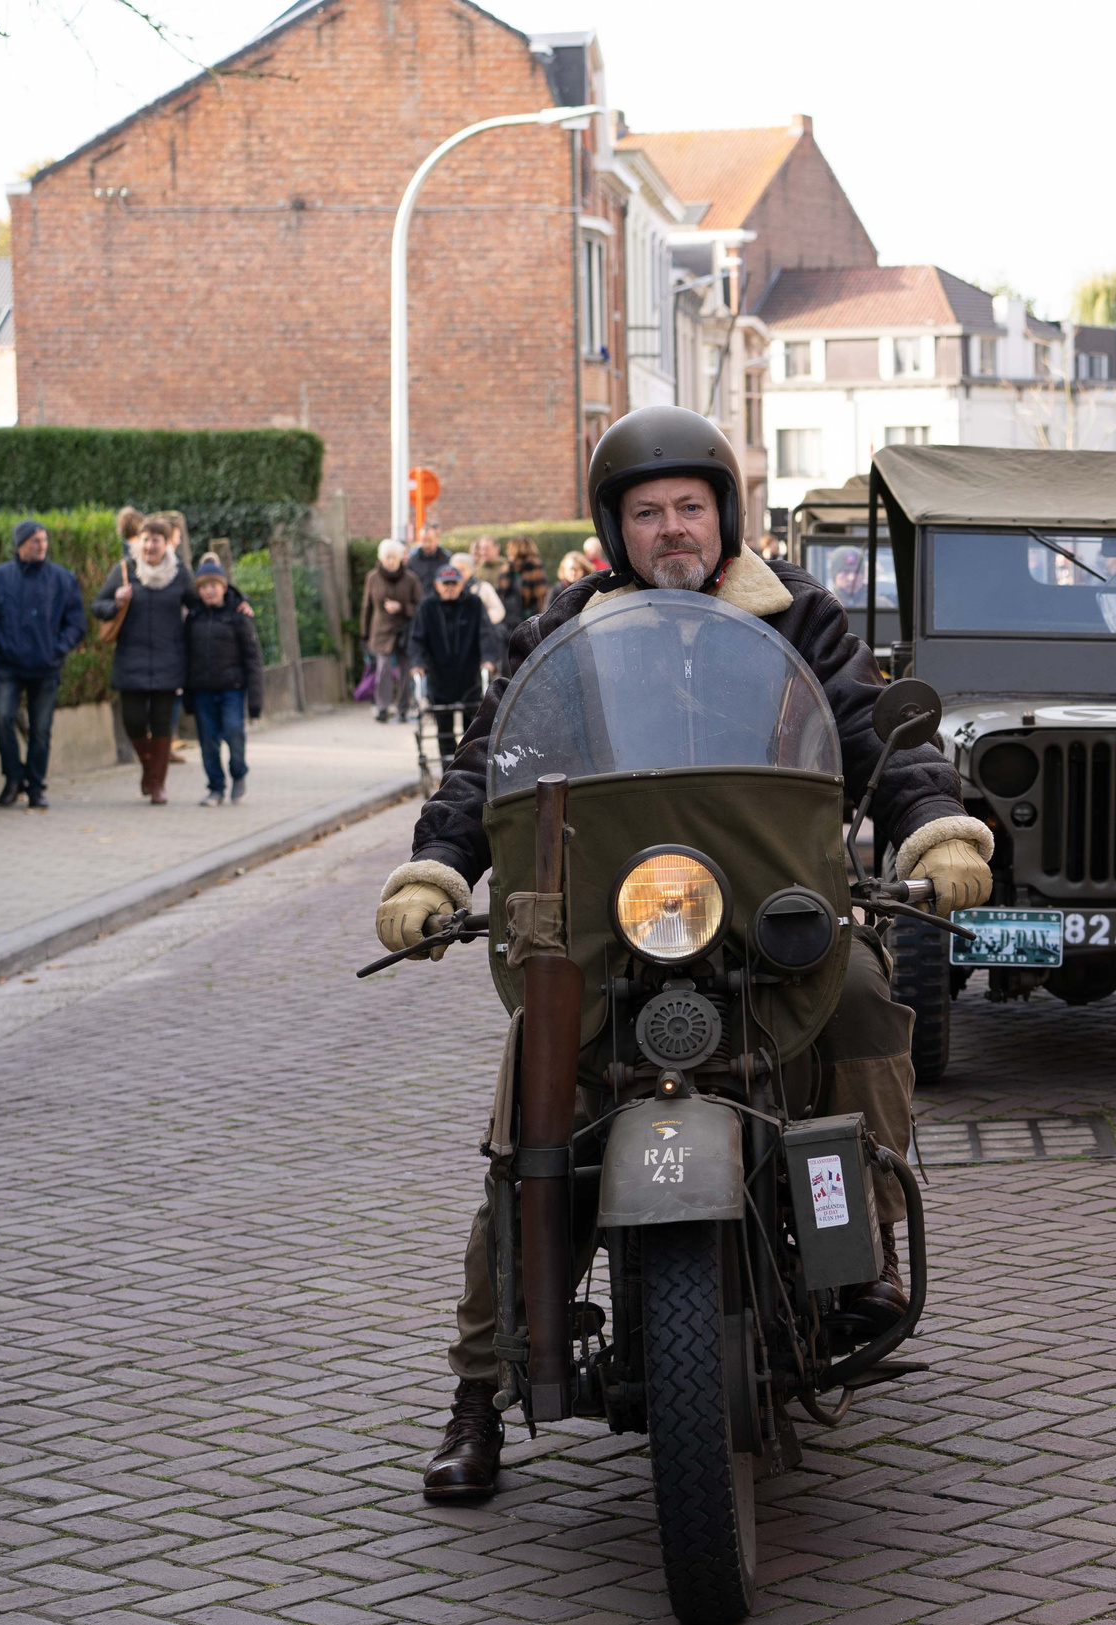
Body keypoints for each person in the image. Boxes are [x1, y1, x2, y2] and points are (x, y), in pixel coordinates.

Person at [374, 405, 992, 1502]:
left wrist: (933, 827)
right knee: (533, 1122)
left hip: (767, 913)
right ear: (617, 528)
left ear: (725, 515)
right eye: (647, 512)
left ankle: (871, 1247)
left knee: (854, 991)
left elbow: (868, 731)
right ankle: (479, 1394)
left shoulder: (794, 613)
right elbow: (492, 760)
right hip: (609, 922)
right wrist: (437, 869)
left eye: (689, 509)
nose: (672, 531)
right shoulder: (564, 631)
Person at [0, 519, 85, 811]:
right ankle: (14, 777)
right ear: (21, 544)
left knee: (41, 729)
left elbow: (76, 621)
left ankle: (36, 787)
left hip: (46, 666)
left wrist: (58, 649)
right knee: (1, 716)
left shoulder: (62, 578)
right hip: (8, 664)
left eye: (44, 540)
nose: (42, 545)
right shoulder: (0, 577)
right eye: (36, 540)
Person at [92, 515, 194, 804]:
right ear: (140, 542)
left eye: (156, 540)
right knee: (133, 721)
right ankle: (150, 769)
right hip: (131, 659)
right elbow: (97, 607)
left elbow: (199, 607)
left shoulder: (180, 574)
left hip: (168, 659)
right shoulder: (125, 571)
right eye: (146, 539)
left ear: (166, 544)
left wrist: (235, 602)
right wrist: (116, 603)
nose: (150, 545)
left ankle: (158, 785)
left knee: (162, 723)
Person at [182, 555, 264, 806]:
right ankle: (215, 787)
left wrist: (255, 700)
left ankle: (238, 773)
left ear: (223, 587)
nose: (208, 591)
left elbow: (253, 659)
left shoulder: (239, 616)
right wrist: (186, 694)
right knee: (208, 742)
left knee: (233, 731)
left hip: (232, 689)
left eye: (213, 586)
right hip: (202, 690)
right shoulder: (193, 618)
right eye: (203, 587)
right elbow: (185, 655)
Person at [408, 560, 502, 759]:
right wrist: (417, 664)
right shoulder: (427, 607)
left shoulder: (474, 604)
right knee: (445, 730)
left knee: (472, 730)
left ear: (462, 584)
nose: (450, 588)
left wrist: (488, 659)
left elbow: (485, 633)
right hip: (440, 678)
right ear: (436, 585)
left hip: (469, 677)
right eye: (445, 584)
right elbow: (417, 639)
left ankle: (469, 769)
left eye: (454, 583)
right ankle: (447, 772)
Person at [360, 539, 421, 723]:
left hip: (405, 631)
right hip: (381, 631)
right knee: (383, 669)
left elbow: (420, 606)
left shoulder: (410, 578)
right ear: (381, 558)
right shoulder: (372, 578)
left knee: (405, 671)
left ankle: (403, 709)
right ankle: (382, 708)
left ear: (401, 558)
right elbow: (366, 606)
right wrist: (364, 633)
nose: (391, 561)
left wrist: (402, 607)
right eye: (388, 557)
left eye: (395, 557)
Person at [403, 523, 452, 595]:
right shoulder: (413, 560)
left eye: (429, 541)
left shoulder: (446, 559)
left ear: (437, 539)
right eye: (423, 541)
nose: (426, 544)